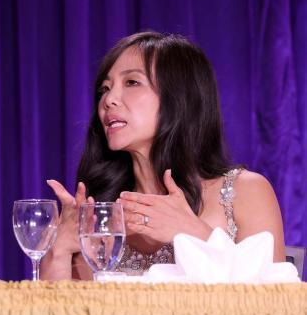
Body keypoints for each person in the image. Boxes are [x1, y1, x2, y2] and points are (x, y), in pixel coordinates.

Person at [41, 32, 285, 280]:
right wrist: (59, 250)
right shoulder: (100, 210)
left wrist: (193, 233)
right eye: (105, 89)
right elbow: (62, 305)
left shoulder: (244, 192)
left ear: (180, 97)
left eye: (132, 82)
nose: (109, 100)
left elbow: (275, 298)